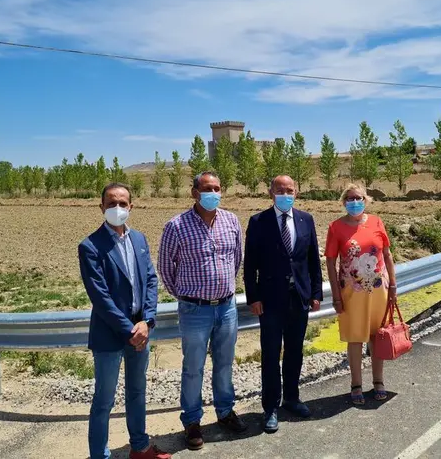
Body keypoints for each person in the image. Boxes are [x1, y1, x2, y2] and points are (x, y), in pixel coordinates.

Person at [78, 182, 171, 459]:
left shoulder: (139, 240)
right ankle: (99, 455)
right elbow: (100, 297)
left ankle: (140, 447)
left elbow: (151, 281)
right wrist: (131, 329)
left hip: (140, 331)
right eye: (111, 203)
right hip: (111, 334)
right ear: (101, 207)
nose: (117, 208)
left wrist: (147, 322)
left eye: (122, 203)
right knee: (104, 401)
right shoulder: (90, 246)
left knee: (137, 392)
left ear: (131, 206)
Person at [157, 172, 247, 451]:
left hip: (227, 307)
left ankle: (224, 411)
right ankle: (192, 421)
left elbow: (237, 259)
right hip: (194, 310)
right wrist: (186, 296)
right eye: (207, 188)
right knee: (193, 367)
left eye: (217, 188)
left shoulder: (231, 220)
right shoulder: (176, 226)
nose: (213, 193)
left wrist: (222, 289)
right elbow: (165, 267)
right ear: (194, 192)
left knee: (224, 363)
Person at [243, 175, 323, 433]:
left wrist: (315, 294)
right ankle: (270, 408)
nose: (285, 193)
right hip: (269, 301)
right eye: (280, 190)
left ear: (296, 192)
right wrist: (253, 297)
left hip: (298, 298)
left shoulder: (306, 220)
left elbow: (312, 260)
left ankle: (292, 398)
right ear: (271, 193)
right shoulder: (258, 222)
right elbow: (250, 264)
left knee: (295, 352)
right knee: (270, 354)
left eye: (290, 190)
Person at [324, 183, 397, 406]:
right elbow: (330, 260)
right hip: (351, 293)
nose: (355, 202)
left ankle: (378, 381)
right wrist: (336, 295)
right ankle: (356, 384)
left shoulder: (376, 222)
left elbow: (387, 253)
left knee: (378, 336)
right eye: (350, 198)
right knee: (355, 338)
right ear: (344, 202)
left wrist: (393, 285)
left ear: (366, 200)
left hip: (378, 291)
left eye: (359, 198)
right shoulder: (336, 227)